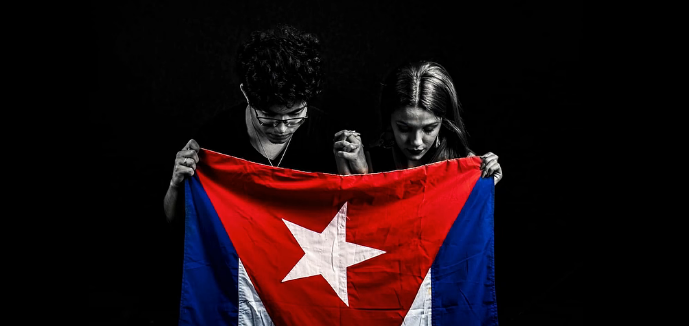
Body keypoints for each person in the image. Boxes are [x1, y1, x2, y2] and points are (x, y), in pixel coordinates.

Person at [164, 24, 341, 223]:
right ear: (246, 94)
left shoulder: (330, 134)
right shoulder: (214, 138)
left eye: (295, 114)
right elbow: (177, 224)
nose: (282, 128)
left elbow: (351, 219)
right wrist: (175, 185)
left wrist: (361, 174)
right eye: (268, 115)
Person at [333, 60, 502, 183]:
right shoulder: (370, 161)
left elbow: (468, 218)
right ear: (389, 120)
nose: (416, 142)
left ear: (444, 122)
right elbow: (359, 217)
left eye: (429, 129)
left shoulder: (463, 165)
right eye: (404, 128)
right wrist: (357, 176)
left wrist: (485, 185)